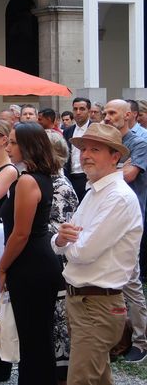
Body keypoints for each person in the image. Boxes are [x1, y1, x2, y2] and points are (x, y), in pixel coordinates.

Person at [51, 122, 141, 384]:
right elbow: (61, 240)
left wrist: (65, 241)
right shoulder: (95, 192)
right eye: (83, 149)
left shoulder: (118, 197)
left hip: (97, 304)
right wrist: (63, 239)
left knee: (81, 379)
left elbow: (82, 252)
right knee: (97, 378)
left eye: (95, 149)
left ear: (115, 157)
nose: (86, 155)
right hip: (84, 301)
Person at [0, 121, 64, 384]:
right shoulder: (39, 177)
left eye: (14, 142)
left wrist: (2, 266)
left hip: (31, 265)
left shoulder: (27, 180)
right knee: (36, 339)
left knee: (33, 340)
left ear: (29, 146)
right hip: (36, 262)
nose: (8, 147)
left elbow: (21, 233)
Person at [102, 99, 147, 363]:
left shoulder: (139, 143)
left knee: (131, 281)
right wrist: (116, 168)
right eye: (105, 113)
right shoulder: (107, 140)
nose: (106, 117)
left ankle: (140, 341)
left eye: (112, 113)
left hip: (130, 220)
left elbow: (129, 175)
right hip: (107, 217)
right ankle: (116, 337)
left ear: (128, 115)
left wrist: (108, 169)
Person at [44, 130, 78, 382]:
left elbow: (59, 230)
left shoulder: (60, 187)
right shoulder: (48, 182)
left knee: (59, 320)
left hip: (57, 262)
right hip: (49, 259)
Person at [64, 97, 92, 201]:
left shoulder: (94, 129)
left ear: (89, 111)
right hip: (71, 177)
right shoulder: (67, 131)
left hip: (88, 176)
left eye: (82, 109)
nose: (78, 112)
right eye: (75, 109)